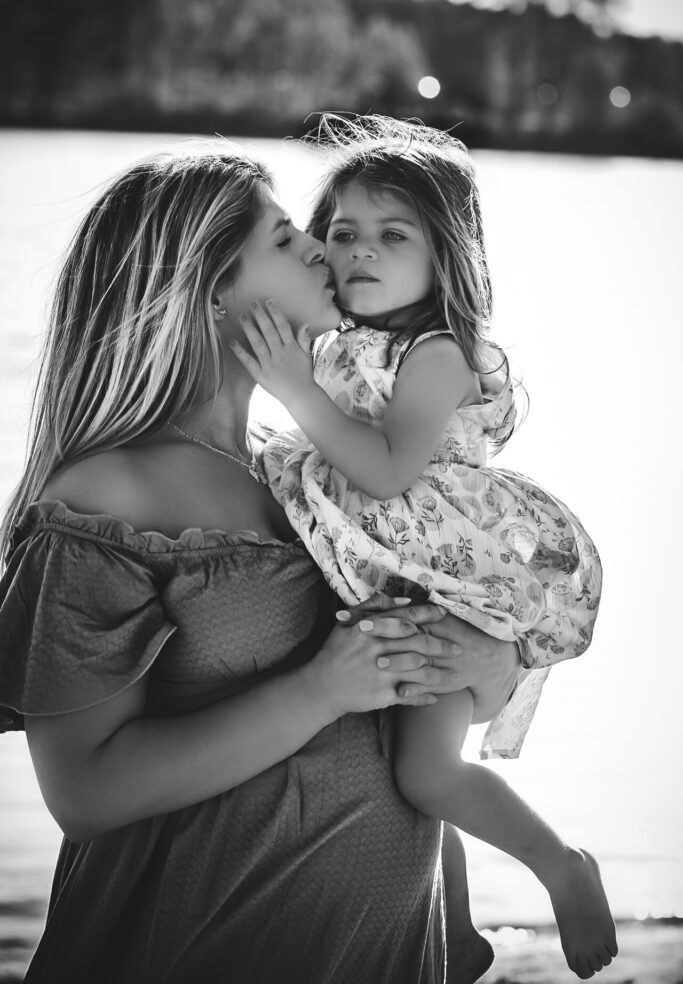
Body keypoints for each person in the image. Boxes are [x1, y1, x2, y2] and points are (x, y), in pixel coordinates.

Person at [0, 141, 523, 984]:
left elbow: (426, 676)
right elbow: (86, 794)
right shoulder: (106, 502)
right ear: (210, 292)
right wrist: (318, 690)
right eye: (285, 241)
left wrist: (488, 663)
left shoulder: (311, 474)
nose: (324, 247)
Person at [231, 115, 618, 980]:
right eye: (341, 233)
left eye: (392, 235)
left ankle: (562, 866)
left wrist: (293, 389)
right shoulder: (342, 342)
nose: (359, 251)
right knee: (399, 769)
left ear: (443, 257)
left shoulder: (434, 351)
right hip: (391, 578)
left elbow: (387, 470)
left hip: (445, 587)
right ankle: (455, 930)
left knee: (426, 777)